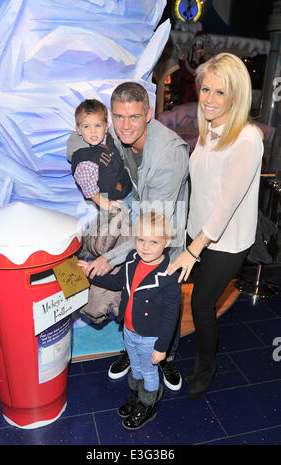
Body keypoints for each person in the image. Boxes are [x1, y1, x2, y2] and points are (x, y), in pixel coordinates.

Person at [67, 82, 189, 390]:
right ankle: (132, 348)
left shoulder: (168, 156)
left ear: (149, 114)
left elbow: (154, 228)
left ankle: (167, 356)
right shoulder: (112, 134)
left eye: (133, 117)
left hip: (163, 230)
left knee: (160, 299)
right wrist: (84, 159)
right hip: (136, 214)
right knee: (131, 294)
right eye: (118, 117)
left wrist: (108, 259)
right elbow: (74, 140)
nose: (125, 125)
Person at [167, 53, 264, 399]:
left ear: (236, 96)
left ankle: (207, 366)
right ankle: (188, 357)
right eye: (205, 89)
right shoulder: (210, 128)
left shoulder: (247, 138)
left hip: (225, 241)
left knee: (202, 305)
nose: (208, 99)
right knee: (193, 301)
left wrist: (193, 249)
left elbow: (227, 204)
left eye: (220, 93)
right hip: (201, 233)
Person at [83, 211, 181, 430]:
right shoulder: (131, 260)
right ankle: (138, 397)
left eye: (154, 241)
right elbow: (116, 281)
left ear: (168, 242)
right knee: (135, 368)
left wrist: (162, 348)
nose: (145, 247)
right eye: (141, 240)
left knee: (148, 371)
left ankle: (148, 405)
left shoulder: (169, 276)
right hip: (129, 330)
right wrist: (90, 273)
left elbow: (170, 317)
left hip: (150, 337)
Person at [71, 99, 133, 211]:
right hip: (111, 201)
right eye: (86, 126)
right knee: (126, 224)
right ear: (78, 129)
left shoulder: (108, 139)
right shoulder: (85, 160)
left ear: (106, 128)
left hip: (127, 189)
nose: (93, 131)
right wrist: (105, 204)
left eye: (97, 126)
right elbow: (89, 189)